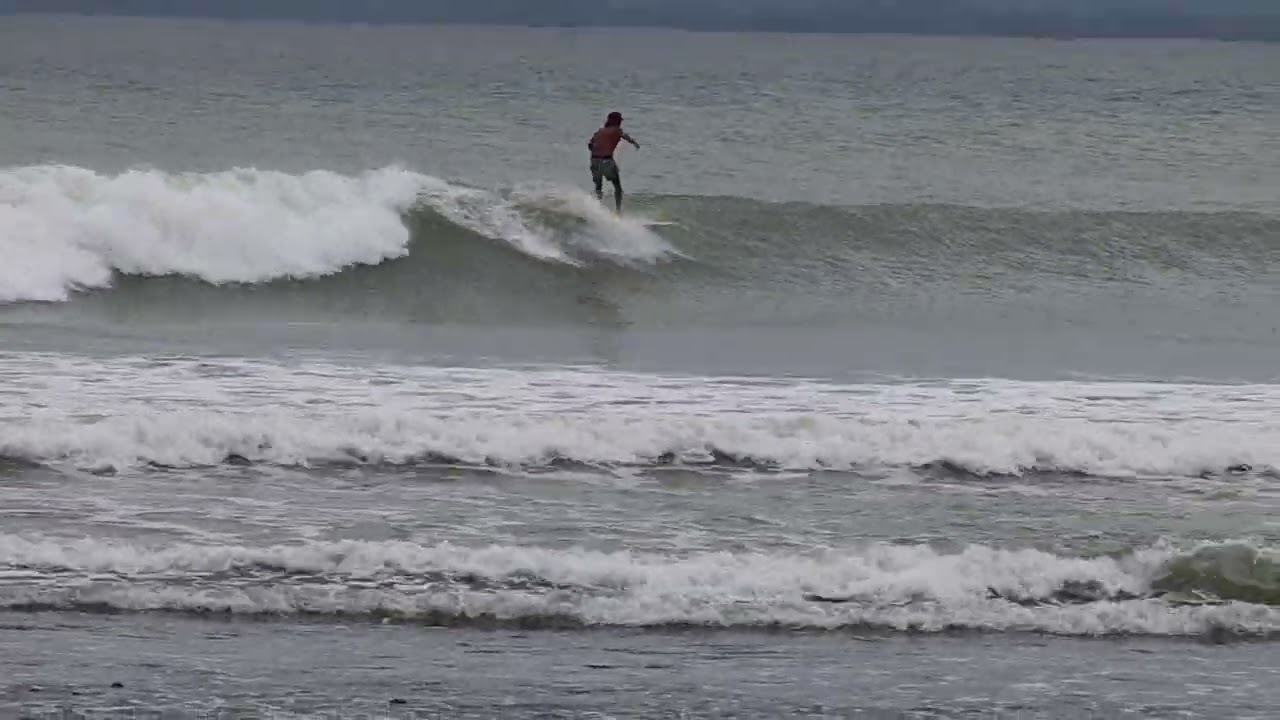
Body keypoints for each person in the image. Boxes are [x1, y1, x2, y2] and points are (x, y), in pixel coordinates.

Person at [588, 111, 640, 212]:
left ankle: (596, 209)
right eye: (620, 121)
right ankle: (618, 212)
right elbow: (625, 136)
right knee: (617, 187)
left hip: (594, 160)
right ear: (617, 121)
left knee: (598, 187)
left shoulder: (599, 131)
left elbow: (590, 145)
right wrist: (634, 143)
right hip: (606, 161)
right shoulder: (617, 130)